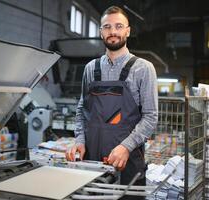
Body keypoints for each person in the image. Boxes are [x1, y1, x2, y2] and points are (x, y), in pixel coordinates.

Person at [65, 5, 158, 200]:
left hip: (128, 161)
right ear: (101, 32)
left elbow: (150, 117)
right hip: (91, 160)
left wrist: (126, 147)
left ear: (128, 30)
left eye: (118, 26)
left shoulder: (143, 69)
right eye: (107, 27)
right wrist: (80, 141)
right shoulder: (91, 68)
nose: (113, 32)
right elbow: (82, 109)